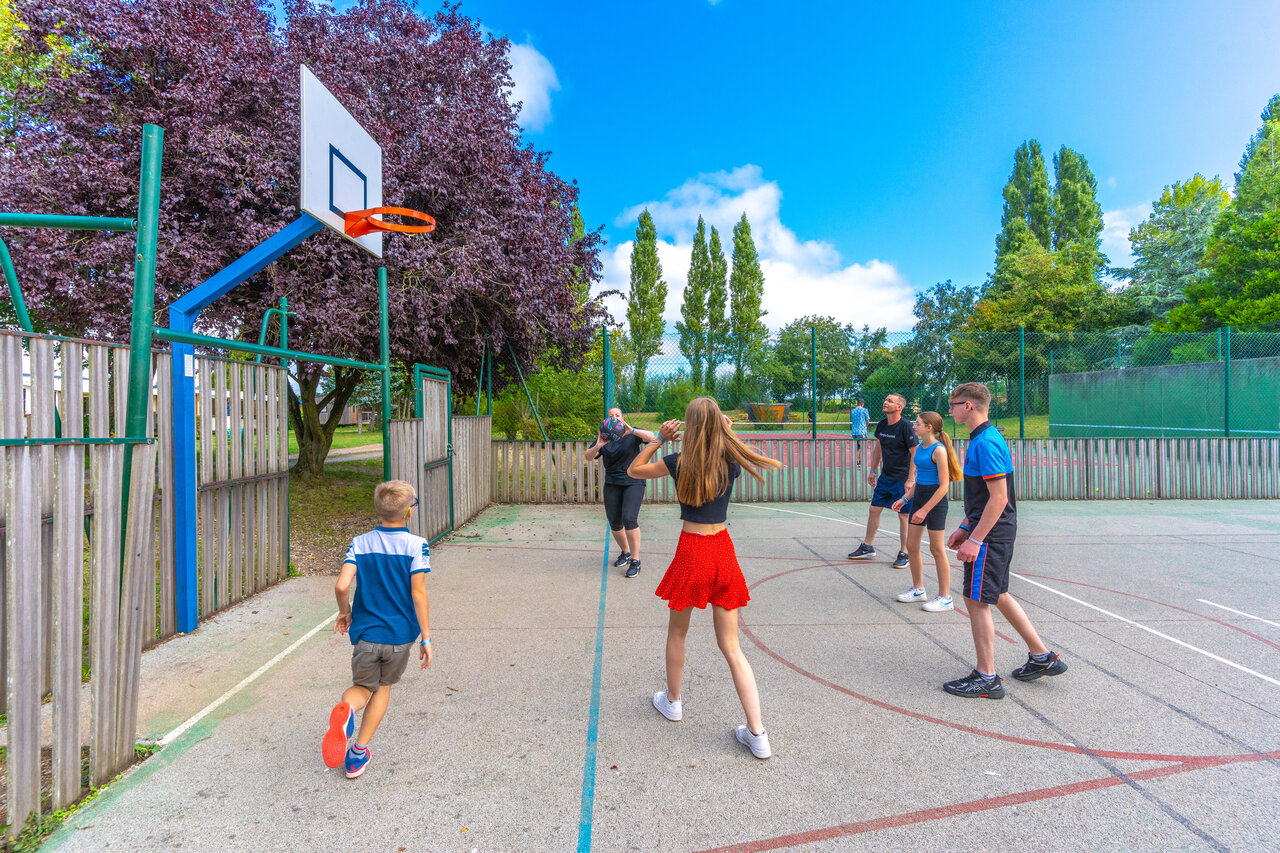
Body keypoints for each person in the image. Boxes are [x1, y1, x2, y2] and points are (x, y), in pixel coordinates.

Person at [626, 397, 783, 759]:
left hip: (692, 550)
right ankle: (758, 734)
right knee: (732, 647)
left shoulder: (677, 462)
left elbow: (635, 470)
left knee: (677, 632)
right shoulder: (730, 463)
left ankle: (673, 701)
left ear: (688, 426)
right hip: (722, 550)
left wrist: (658, 440)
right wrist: (725, 428)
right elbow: (725, 444)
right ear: (718, 425)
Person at [943, 382, 1067, 699]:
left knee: (977, 599)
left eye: (953, 404)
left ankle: (986, 677)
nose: (951, 410)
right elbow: (984, 498)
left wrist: (975, 539)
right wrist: (964, 525)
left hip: (992, 534)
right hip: (990, 529)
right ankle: (1042, 657)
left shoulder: (985, 442)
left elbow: (999, 499)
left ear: (967, 406)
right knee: (997, 594)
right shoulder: (984, 439)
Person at [322, 480, 433, 777]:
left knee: (361, 688)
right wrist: (426, 637)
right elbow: (418, 593)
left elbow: (342, 584)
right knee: (383, 688)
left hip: (366, 635)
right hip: (398, 637)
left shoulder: (360, 543)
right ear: (408, 513)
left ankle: (346, 711)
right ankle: (358, 753)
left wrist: (345, 613)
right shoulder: (416, 545)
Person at [890, 412, 960, 612]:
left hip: (935, 503)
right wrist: (904, 499)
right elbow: (919, 480)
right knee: (911, 545)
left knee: (937, 549)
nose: (914, 426)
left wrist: (925, 509)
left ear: (929, 427)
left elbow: (944, 486)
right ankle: (918, 589)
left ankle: (945, 597)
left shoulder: (939, 450)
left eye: (918, 424)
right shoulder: (920, 447)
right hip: (919, 497)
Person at [584, 407, 659, 578]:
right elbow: (588, 456)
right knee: (615, 523)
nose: (614, 418)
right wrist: (599, 445)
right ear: (606, 420)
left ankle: (635, 560)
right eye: (611, 416)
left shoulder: (632, 434)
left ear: (622, 418)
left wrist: (631, 429)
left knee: (629, 519)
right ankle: (625, 552)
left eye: (617, 415)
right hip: (612, 482)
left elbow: (652, 437)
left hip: (633, 481)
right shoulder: (604, 438)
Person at [847, 393, 916, 569]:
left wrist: (910, 479)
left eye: (890, 401)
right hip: (886, 477)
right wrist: (873, 469)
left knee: (903, 515)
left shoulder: (906, 427)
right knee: (874, 509)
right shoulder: (883, 425)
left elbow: (915, 453)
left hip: (902, 479)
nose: (885, 402)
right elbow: (879, 447)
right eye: (885, 400)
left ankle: (904, 552)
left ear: (899, 407)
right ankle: (867, 547)